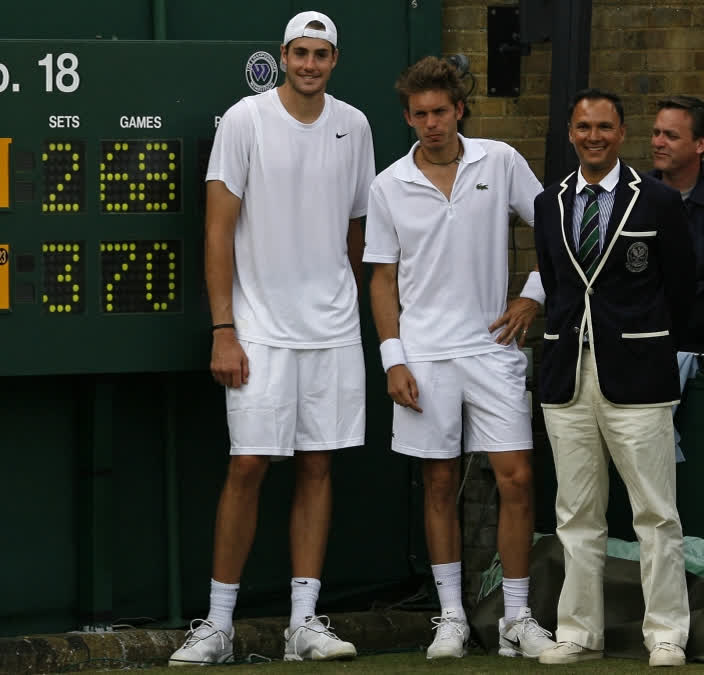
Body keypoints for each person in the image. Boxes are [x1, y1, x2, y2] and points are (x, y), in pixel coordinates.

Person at [168, 9, 374, 666]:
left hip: (333, 329)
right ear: (282, 56)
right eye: (300, 53)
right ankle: (219, 625)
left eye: (321, 54)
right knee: (249, 464)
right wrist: (224, 328)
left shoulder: (356, 125)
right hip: (257, 331)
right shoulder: (245, 120)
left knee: (318, 464)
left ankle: (302, 623)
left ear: (334, 61)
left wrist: (341, 299)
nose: (310, 64)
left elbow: (357, 230)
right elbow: (217, 231)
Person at [363, 55, 555, 661]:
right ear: (408, 117)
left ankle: (516, 619)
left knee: (517, 479)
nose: (431, 124)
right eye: (419, 115)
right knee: (439, 482)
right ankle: (450, 617)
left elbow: (556, 231)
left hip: (492, 349)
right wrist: (394, 358)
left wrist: (530, 297)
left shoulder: (498, 161)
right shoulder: (389, 184)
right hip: (423, 355)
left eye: (440, 112)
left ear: (459, 110)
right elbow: (382, 280)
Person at [533, 89, 694, 668]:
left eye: (604, 126)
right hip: (567, 375)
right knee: (575, 513)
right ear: (570, 133)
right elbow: (556, 284)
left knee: (655, 513)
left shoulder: (656, 200)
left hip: (640, 374)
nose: (593, 136)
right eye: (582, 127)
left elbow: (680, 286)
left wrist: (646, 341)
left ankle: (666, 634)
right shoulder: (548, 202)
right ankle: (579, 632)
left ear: (621, 132)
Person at [650, 95, 704, 461]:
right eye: (656, 133)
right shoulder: (634, 197)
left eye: (670, 135)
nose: (658, 142)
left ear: (700, 145)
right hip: (644, 356)